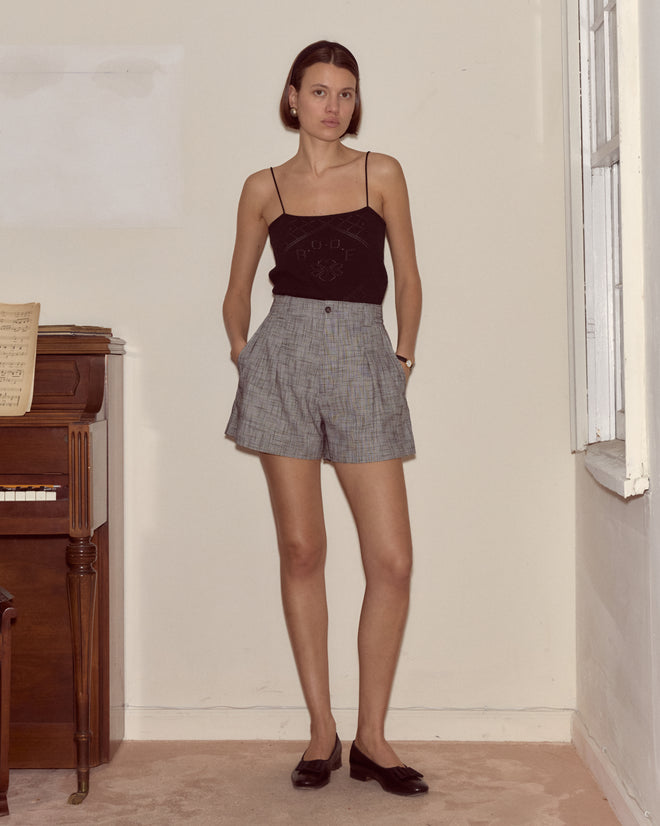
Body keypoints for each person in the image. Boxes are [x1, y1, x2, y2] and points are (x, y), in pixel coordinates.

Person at [223, 40, 426, 797]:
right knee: (303, 550)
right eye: (319, 91)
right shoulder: (263, 187)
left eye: (345, 92)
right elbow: (236, 286)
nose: (333, 105)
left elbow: (407, 273)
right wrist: (247, 352)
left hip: (364, 356)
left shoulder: (382, 173)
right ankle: (321, 730)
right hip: (285, 359)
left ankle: (374, 737)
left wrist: (401, 356)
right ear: (292, 97)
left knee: (392, 560)